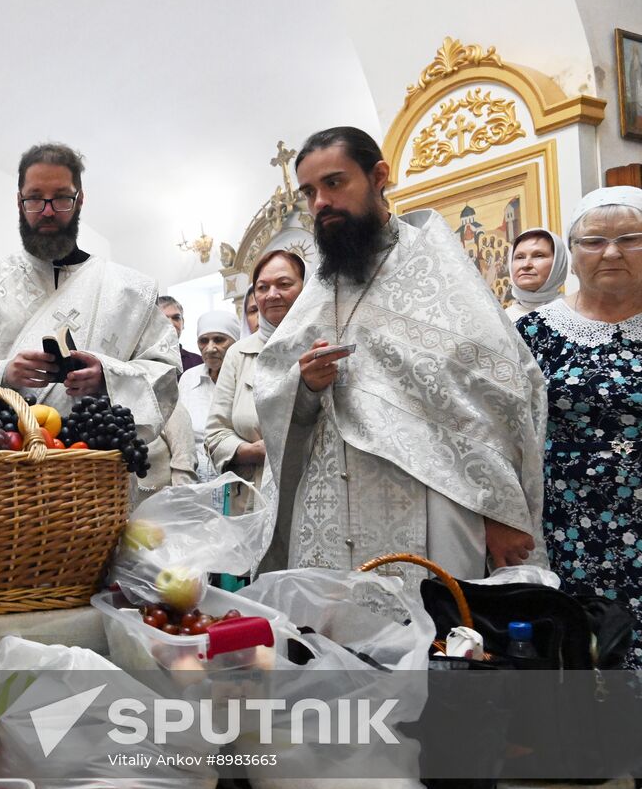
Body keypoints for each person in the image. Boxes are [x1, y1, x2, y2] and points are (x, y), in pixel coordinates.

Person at [254, 127, 547, 578]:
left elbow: (497, 391)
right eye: (309, 192)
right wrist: (304, 384)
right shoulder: (322, 284)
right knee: (334, 637)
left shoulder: (436, 271)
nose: (320, 204)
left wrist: (499, 510)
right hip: (328, 502)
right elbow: (275, 384)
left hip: (431, 497)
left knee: (432, 634)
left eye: (334, 183)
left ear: (378, 176)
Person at [0, 142, 180, 476]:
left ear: (80, 200)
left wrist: (108, 376)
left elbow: (166, 373)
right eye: (34, 198)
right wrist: (3, 374)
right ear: (19, 201)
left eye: (60, 197)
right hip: (5, 469)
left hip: (98, 472)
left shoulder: (131, 289)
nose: (47, 210)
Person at [517, 187, 642, 668]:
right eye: (593, 241)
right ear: (572, 250)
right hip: (566, 526)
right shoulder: (534, 333)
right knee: (583, 648)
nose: (611, 252)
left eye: (630, 238)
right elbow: (508, 432)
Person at [205, 250, 306, 536]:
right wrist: (253, 451)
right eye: (263, 287)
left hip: (306, 493)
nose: (272, 294)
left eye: (284, 284)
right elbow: (215, 433)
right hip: (250, 501)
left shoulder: (319, 343)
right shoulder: (239, 354)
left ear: (306, 287)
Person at [178, 310, 242, 481]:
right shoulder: (188, 379)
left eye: (219, 340)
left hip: (237, 479)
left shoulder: (247, 377)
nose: (210, 348)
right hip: (194, 481)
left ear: (236, 342)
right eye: (203, 341)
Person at [506, 227, 569, 321]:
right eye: (519, 257)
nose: (526, 265)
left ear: (558, 263)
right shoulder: (502, 319)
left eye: (538, 256)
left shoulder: (574, 315)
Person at [157, 295, 203, 370]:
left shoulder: (198, 363)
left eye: (176, 318)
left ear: (183, 323)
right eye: (163, 318)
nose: (171, 324)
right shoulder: (139, 362)